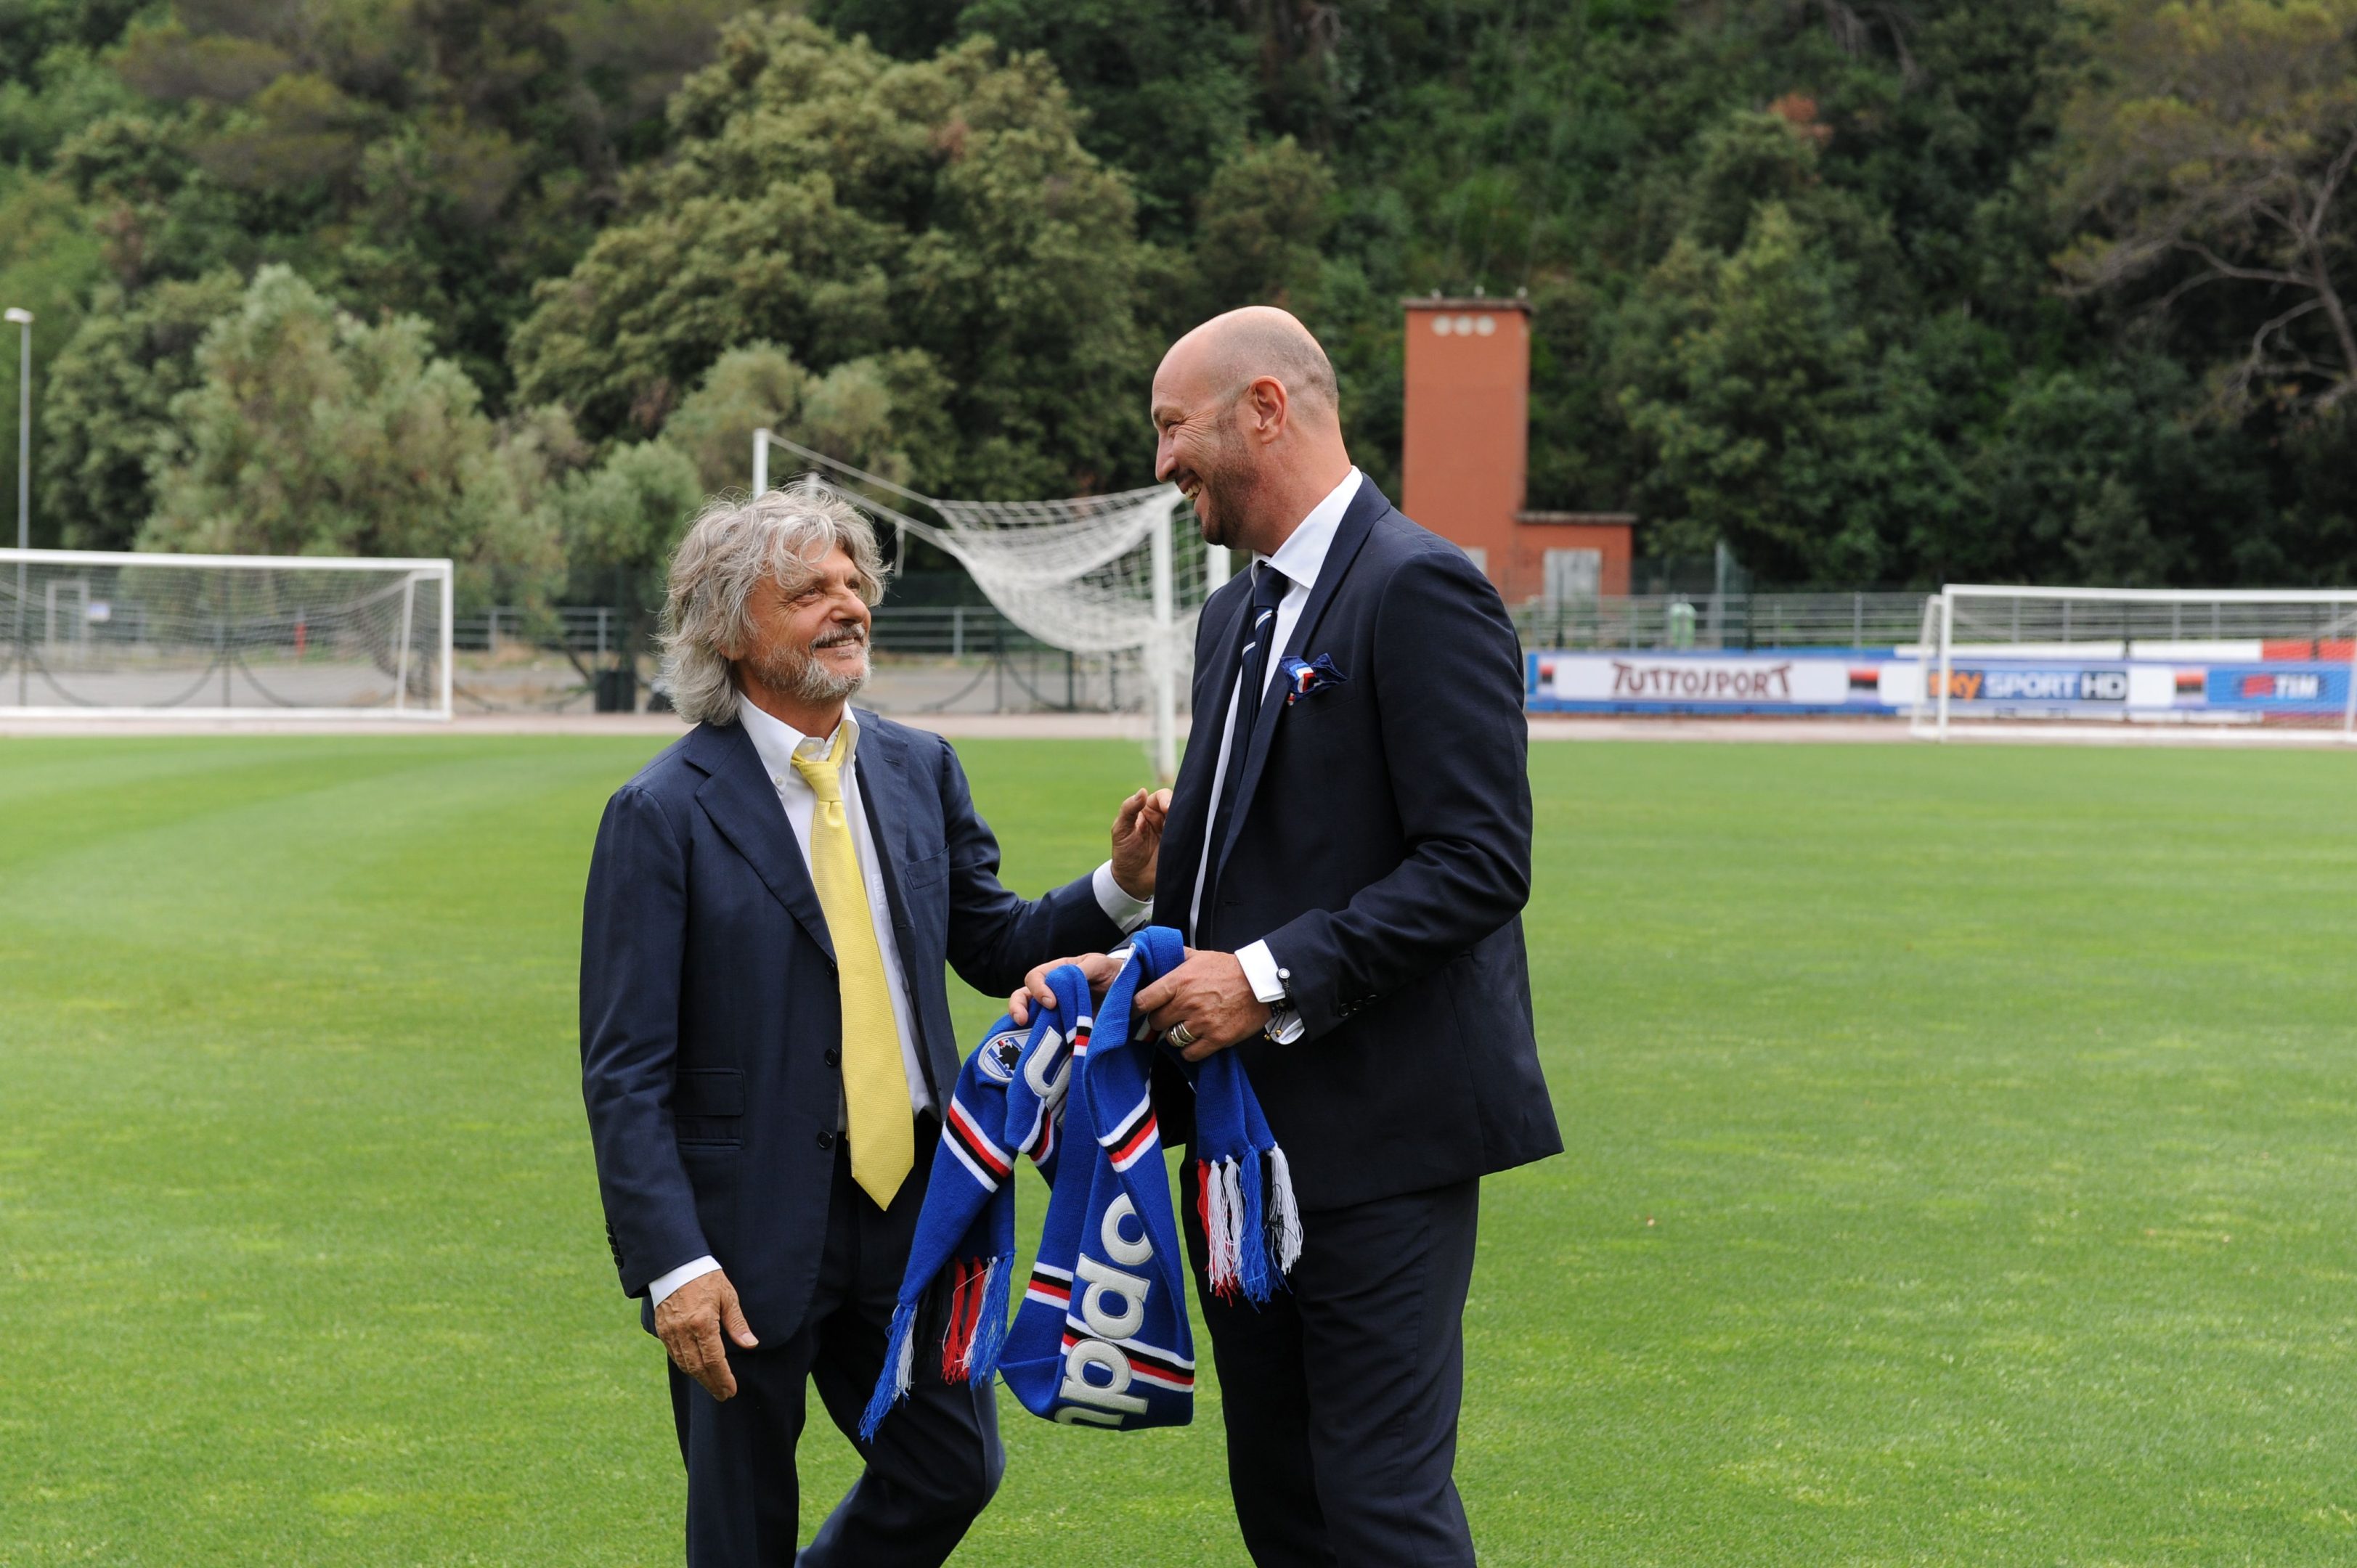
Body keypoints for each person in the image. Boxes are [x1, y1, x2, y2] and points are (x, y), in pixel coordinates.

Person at [1012, 306, 1561, 1567]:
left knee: (1376, 1505)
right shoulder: (1234, 616)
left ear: (1263, 409)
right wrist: (1132, 960)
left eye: (1170, 429)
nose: (1160, 465)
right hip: (1239, 1155)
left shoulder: (1419, 586)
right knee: (1282, 1497)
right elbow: (1236, 882)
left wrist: (1261, 981)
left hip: (1379, 1144)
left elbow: (1479, 862)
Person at [580, 486, 1168, 1568]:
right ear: (725, 628)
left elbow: (993, 943)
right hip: (742, 1232)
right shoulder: (659, 813)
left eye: (854, 584)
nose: (846, 606)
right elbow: (624, 1073)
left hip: (911, 1207)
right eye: (808, 590)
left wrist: (1119, 887)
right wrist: (674, 1266)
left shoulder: (916, 766)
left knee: (951, 1468)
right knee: (739, 1525)